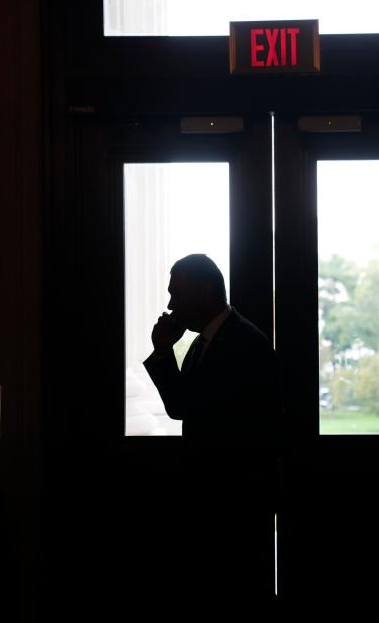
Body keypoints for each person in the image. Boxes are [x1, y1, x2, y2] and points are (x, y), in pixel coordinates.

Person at [143, 253, 280, 599]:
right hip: (218, 499)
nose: (171, 304)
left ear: (204, 292)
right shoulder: (204, 344)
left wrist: (162, 353)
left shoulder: (242, 343)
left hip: (232, 502)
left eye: (177, 293)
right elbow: (183, 407)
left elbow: (184, 406)